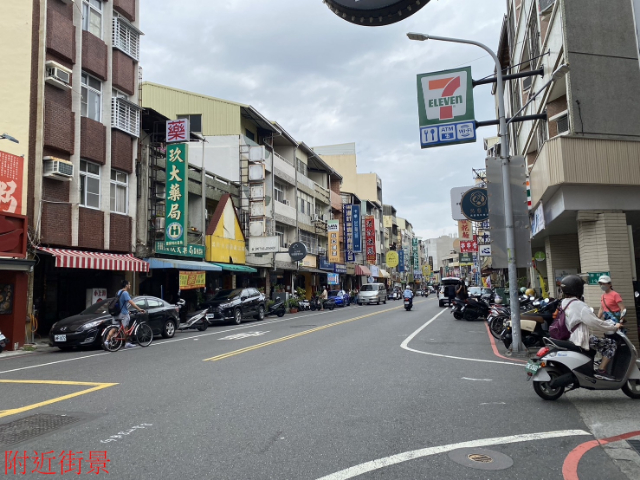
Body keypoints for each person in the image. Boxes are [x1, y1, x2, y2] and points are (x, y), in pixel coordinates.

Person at [559, 275, 624, 381]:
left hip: (569, 336)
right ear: (578, 288)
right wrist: (613, 327)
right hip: (579, 337)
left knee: (599, 342)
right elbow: (594, 322)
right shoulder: (579, 305)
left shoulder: (564, 302)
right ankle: (601, 370)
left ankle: (597, 364)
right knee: (610, 344)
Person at [106, 280, 145, 349]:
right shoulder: (125, 293)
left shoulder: (118, 292)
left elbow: (120, 303)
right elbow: (131, 302)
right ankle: (127, 343)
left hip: (116, 313)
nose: (130, 286)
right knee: (126, 328)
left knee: (114, 328)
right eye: (129, 284)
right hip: (123, 313)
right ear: (126, 285)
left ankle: (106, 341)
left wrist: (127, 310)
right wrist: (139, 309)